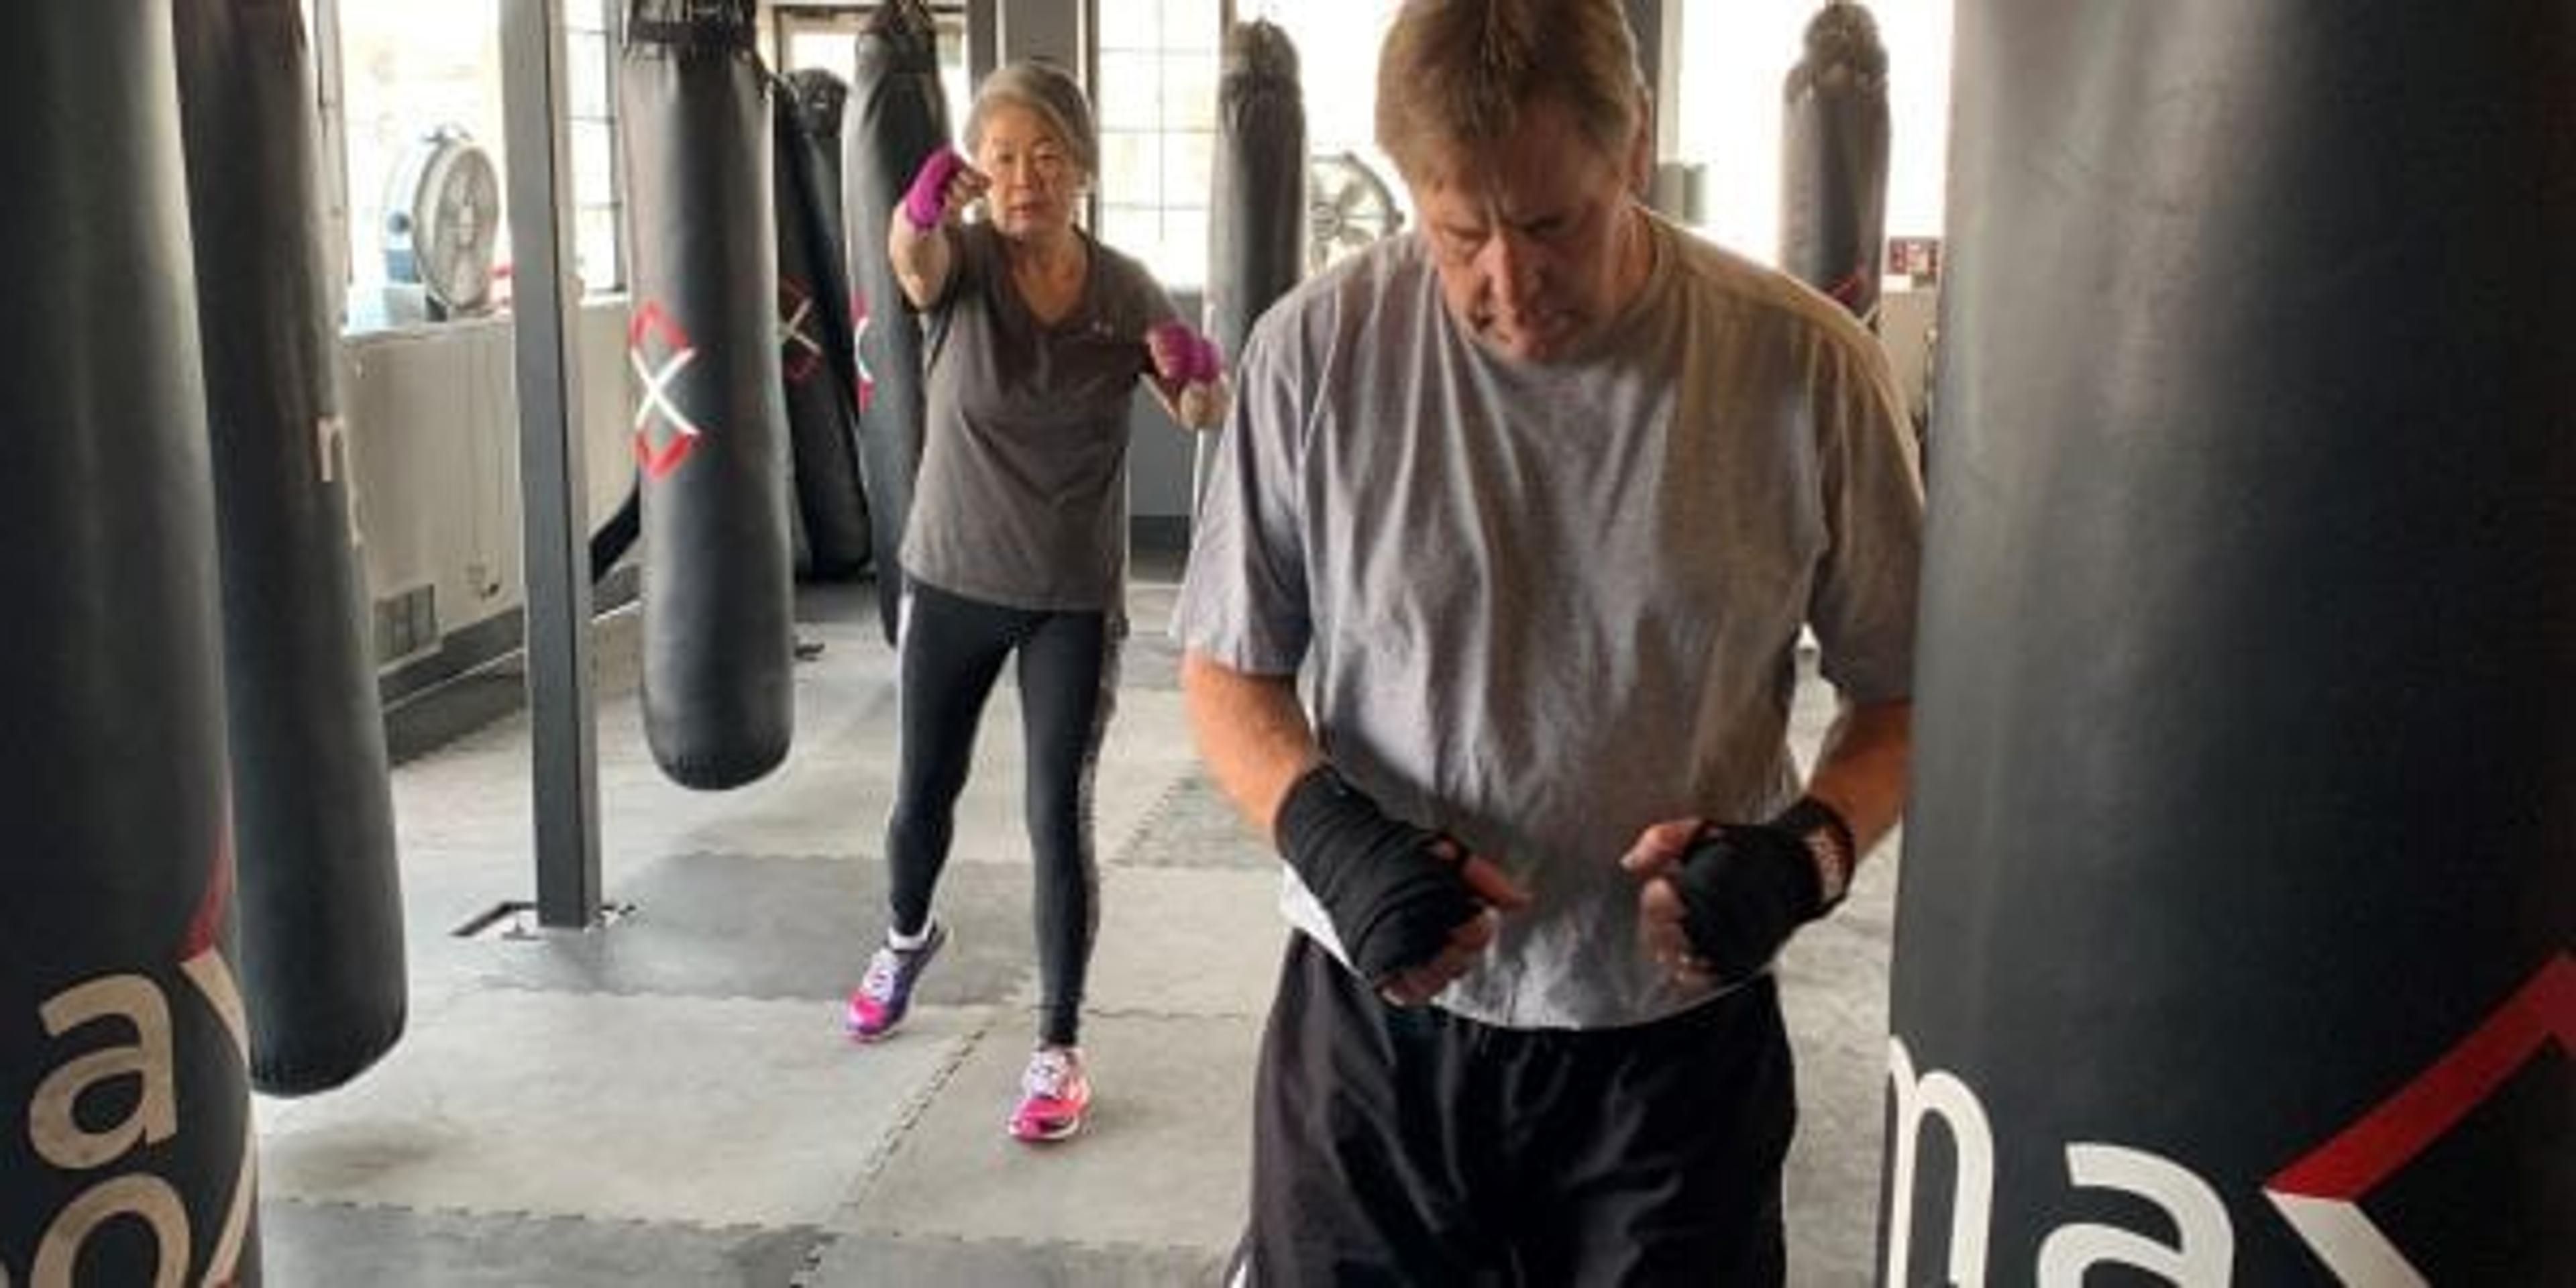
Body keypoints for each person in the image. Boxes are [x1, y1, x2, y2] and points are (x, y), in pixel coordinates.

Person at [1173, 0, 1923, 1280]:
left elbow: (1907, 695)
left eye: (1549, 224)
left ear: (1631, 155)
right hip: (1381, 1025)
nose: (1506, 283)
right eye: (1458, 233)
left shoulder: (1808, 368)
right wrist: (1331, 840)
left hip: (1672, 1045)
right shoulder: (1316, 351)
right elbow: (1227, 665)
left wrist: (1808, 854)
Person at [843, 58, 1228, 1146]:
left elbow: (1199, 410)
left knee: (1059, 813)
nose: (1024, 178)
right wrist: (917, 208)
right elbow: (911, 268)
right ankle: (906, 934)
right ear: (980, 173)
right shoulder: (964, 261)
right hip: (953, 572)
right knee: (925, 790)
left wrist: (1198, 367)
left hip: (1068, 594)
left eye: (1046, 156)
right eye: (1001, 157)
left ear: (1082, 171)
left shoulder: (1125, 287)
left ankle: (1058, 1044)